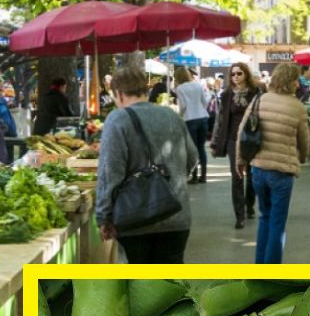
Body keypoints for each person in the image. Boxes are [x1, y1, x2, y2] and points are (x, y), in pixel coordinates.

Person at [96, 65, 197, 264]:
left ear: (118, 94)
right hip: (177, 216)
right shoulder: (172, 116)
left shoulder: (118, 119)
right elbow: (192, 158)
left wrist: (103, 216)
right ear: (146, 90)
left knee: (141, 288)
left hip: (135, 219)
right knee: (171, 288)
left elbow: (110, 172)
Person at [237, 62, 309, 263]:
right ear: (291, 81)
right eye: (296, 79)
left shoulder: (259, 100)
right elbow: (304, 141)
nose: (298, 83)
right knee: (277, 222)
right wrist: (301, 158)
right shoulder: (298, 107)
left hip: (258, 170)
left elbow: (242, 131)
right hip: (282, 172)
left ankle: (260, 265)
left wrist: (240, 161)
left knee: (264, 217)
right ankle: (272, 270)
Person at [212, 62, 262, 229]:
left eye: (239, 73)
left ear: (246, 74)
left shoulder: (256, 92)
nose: (236, 77)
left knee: (252, 175)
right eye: (233, 74)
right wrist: (215, 141)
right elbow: (219, 119)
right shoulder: (226, 95)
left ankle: (249, 204)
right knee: (236, 177)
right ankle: (239, 215)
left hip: (251, 138)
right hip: (233, 140)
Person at [174, 66, 211, 183]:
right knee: (201, 148)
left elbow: (183, 106)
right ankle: (204, 175)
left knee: (192, 149)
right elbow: (204, 102)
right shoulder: (198, 85)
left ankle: (194, 175)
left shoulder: (180, 88)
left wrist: (179, 115)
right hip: (203, 117)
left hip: (190, 119)